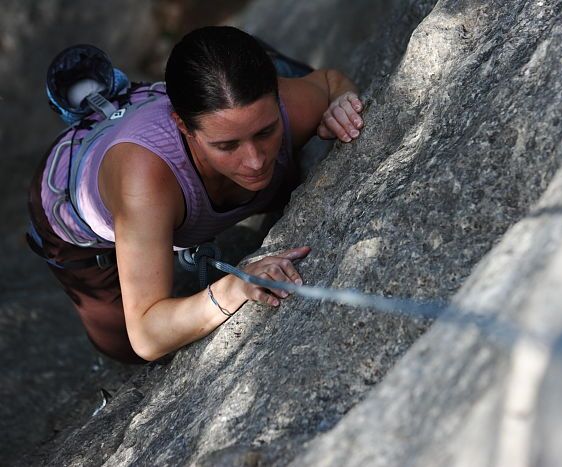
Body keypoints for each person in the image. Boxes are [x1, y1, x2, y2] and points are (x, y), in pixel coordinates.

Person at [27, 26, 364, 363]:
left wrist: (340, 105)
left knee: (281, 178)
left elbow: (331, 81)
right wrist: (233, 288)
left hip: (175, 144)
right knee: (126, 348)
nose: (255, 159)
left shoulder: (288, 108)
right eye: (227, 145)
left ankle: (259, 70)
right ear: (183, 126)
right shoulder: (144, 180)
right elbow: (146, 334)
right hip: (71, 196)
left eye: (265, 131)